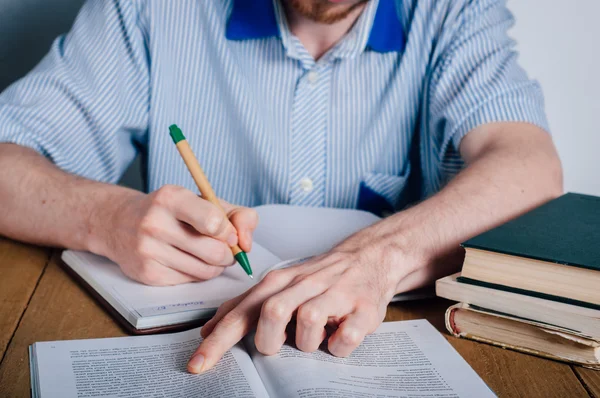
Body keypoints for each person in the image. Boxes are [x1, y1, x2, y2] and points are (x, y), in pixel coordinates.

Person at [0, 0, 562, 375]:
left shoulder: (456, 11)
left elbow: (530, 167)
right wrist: (106, 216)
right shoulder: (149, 8)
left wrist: (380, 256)